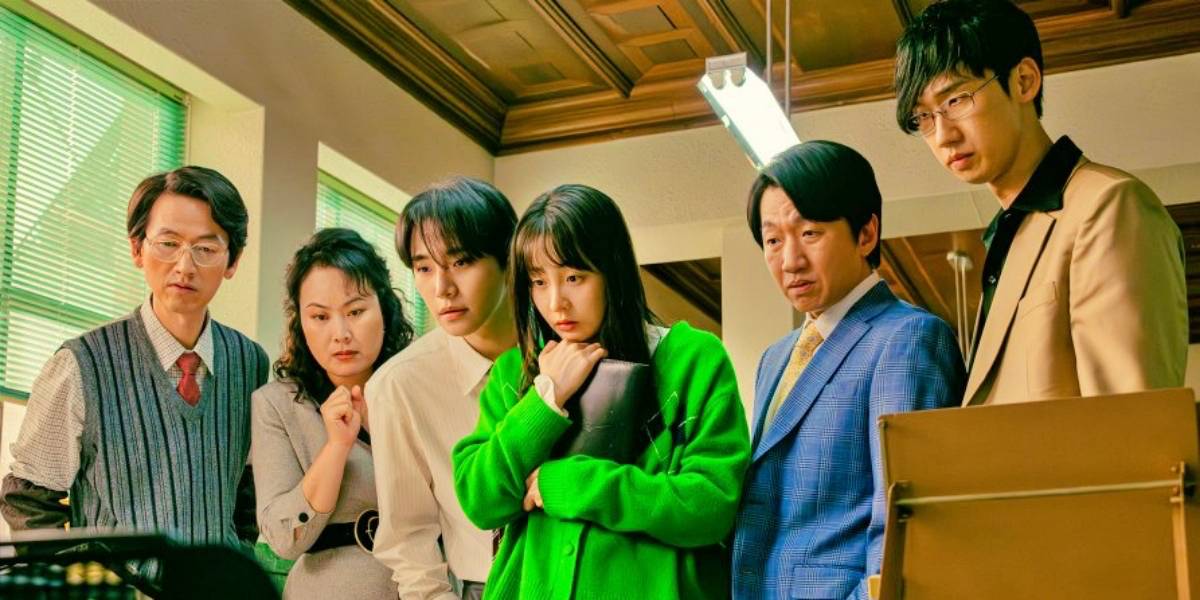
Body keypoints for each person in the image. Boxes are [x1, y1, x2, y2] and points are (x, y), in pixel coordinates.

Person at [452, 184, 751, 598]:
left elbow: (711, 506)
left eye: (574, 277)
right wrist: (545, 399)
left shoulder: (692, 359)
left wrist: (575, 484)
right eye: (538, 281)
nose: (556, 302)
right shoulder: (514, 372)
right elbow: (481, 500)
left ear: (612, 270)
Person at [894, 0, 1187, 406]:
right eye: (923, 117)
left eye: (957, 99)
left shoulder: (1108, 205)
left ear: (1024, 81)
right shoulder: (1010, 232)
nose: (943, 135)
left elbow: (1129, 420)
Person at [0, 166, 268, 585]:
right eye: (168, 243)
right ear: (137, 249)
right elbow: (29, 501)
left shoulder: (250, 364)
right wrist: (88, 587)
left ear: (232, 261)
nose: (185, 265)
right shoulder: (80, 364)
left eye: (205, 248)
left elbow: (248, 493)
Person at [732, 141, 965, 599]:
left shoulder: (908, 339)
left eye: (810, 233)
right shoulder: (774, 358)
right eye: (773, 240)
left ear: (866, 234)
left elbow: (907, 528)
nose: (790, 261)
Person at [367, 177, 517, 599]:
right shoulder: (399, 385)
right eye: (424, 268)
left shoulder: (568, 352)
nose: (442, 289)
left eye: (461, 262)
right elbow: (407, 539)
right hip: (482, 586)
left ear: (509, 257)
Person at [252, 227, 415, 599]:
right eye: (320, 317)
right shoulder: (277, 404)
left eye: (355, 311)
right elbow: (284, 539)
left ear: (384, 309)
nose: (340, 333)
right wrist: (336, 448)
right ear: (300, 323)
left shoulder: (418, 390)